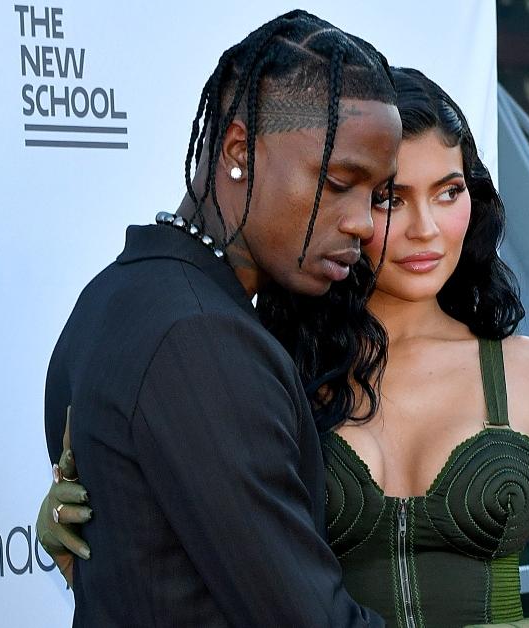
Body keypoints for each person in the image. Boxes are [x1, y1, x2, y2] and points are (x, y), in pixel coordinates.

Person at [43, 68, 529, 626]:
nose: (425, 228)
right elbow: (196, 577)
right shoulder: (266, 365)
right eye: (391, 199)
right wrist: (90, 535)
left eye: (448, 192)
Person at [38, 10, 400, 627]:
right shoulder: (200, 340)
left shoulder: (116, 292)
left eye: (376, 194)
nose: (363, 223)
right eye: (340, 182)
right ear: (238, 151)